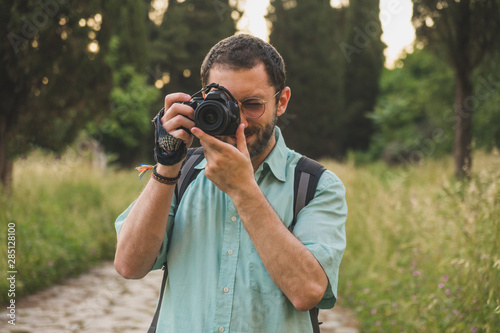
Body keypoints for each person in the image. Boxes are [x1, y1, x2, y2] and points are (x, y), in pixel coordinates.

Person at [114, 34, 347, 333]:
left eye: (252, 104)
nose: (239, 120)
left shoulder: (316, 186)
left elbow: (307, 291)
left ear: (282, 101)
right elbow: (129, 265)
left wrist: (243, 189)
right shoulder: (182, 174)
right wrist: (167, 162)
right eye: (224, 104)